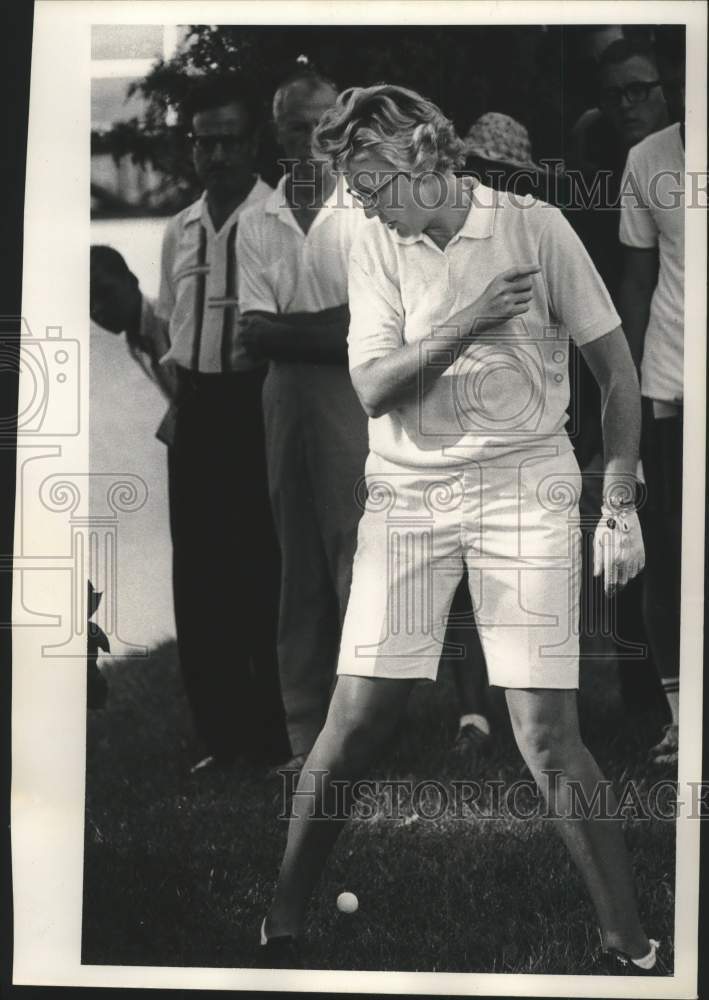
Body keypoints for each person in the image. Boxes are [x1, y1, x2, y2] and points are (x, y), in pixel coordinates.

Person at [257, 84, 662, 975]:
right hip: (407, 490)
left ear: (423, 157)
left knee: (546, 733)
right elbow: (372, 388)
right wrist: (469, 320)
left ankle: (630, 948)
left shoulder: (535, 228)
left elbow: (616, 373)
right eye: (350, 189)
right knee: (358, 717)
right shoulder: (372, 237)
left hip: (526, 484)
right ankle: (279, 927)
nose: (360, 203)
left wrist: (620, 502)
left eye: (370, 182)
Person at [101, 73, 290, 771]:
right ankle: (224, 735)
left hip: (259, 400)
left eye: (227, 140)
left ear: (252, 142)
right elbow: (176, 330)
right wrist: (181, 406)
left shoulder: (278, 222)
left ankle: (277, 732)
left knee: (260, 569)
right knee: (200, 573)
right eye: (203, 142)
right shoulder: (179, 229)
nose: (214, 155)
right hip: (200, 406)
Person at [236, 69, 368, 768]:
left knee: (357, 556)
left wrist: (318, 332)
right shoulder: (258, 219)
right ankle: (303, 732)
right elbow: (254, 334)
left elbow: (370, 327)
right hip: (285, 397)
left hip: (356, 394)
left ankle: (362, 729)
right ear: (276, 132)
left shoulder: (365, 208)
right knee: (300, 564)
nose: (309, 139)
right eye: (293, 126)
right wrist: (332, 329)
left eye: (322, 122)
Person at [618, 33, 686, 765]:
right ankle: (677, 715)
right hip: (668, 388)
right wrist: (628, 397)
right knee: (664, 559)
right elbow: (635, 285)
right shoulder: (646, 159)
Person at [90, 244, 179, 445]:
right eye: (88, 303)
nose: (98, 309)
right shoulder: (135, 342)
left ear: (132, 281)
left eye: (105, 292)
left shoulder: (170, 321)